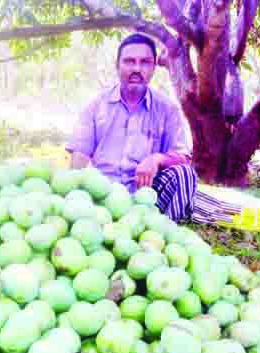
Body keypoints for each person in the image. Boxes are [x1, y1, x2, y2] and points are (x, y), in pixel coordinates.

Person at [66, 33, 197, 223]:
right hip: (103, 195)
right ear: (117, 65)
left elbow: (183, 157)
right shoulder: (96, 105)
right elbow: (79, 156)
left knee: (185, 174)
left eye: (145, 62)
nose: (137, 68)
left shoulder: (167, 109)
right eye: (129, 61)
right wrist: (73, 195)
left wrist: (156, 159)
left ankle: (165, 230)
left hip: (147, 196)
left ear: (154, 67)